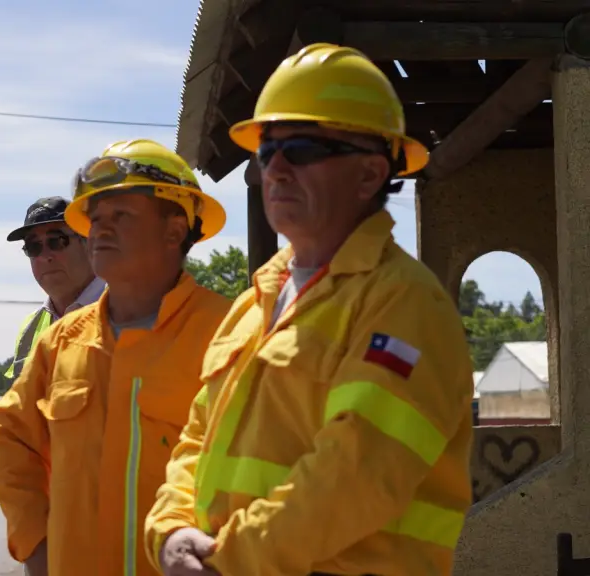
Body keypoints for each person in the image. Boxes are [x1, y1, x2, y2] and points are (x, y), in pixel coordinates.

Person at [145, 43, 474, 576]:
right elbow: (197, 441)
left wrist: (225, 558)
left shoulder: (406, 304)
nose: (274, 168)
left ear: (370, 175)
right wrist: (171, 531)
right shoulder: (255, 304)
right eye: (266, 150)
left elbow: (358, 473)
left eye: (300, 149)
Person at [0, 139, 233, 576]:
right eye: (95, 218)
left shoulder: (229, 333)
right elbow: (8, 437)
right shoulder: (61, 341)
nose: (99, 230)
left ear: (175, 230)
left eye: (121, 216)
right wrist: (36, 542)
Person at [4, 196, 106, 382]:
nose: (45, 256)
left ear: (89, 243)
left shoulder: (127, 309)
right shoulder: (30, 328)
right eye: (34, 246)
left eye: (57, 241)